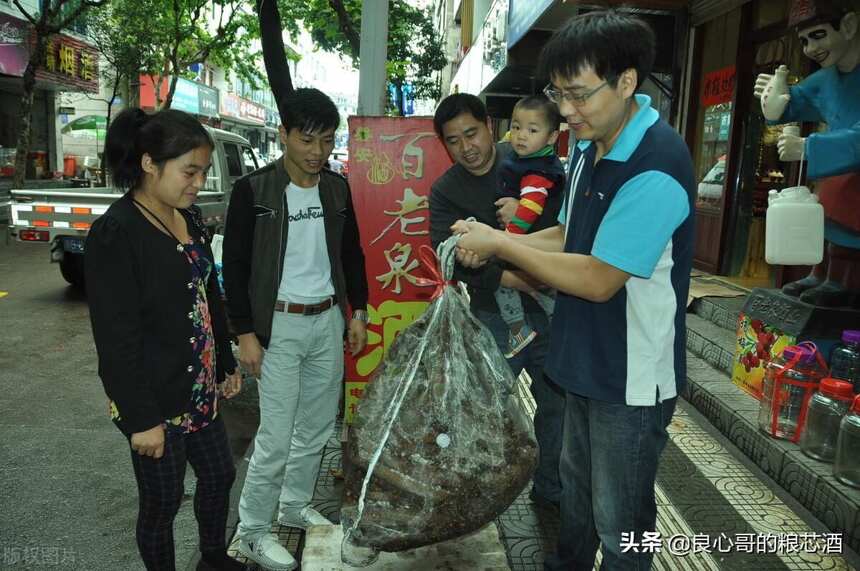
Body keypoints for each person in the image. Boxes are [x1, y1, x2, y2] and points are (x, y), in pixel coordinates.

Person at [453, 10, 695, 570]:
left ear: (627, 83)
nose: (565, 111)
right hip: (580, 355)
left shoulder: (656, 165)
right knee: (576, 498)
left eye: (579, 95)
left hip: (629, 377)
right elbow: (569, 235)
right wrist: (496, 240)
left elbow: (598, 277)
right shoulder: (588, 146)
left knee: (622, 525)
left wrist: (503, 245)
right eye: (558, 94)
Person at [85, 108, 244, 571]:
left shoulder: (188, 217)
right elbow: (116, 340)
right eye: (188, 171)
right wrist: (141, 420)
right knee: (162, 501)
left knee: (219, 475)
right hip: (154, 399)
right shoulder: (118, 233)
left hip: (197, 387)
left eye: (202, 171)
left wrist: (225, 363)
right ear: (150, 163)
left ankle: (212, 558)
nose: (197, 182)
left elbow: (207, 291)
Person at [222, 87, 369, 571]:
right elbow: (237, 264)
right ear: (284, 135)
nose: (317, 152)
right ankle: (252, 531)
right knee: (277, 434)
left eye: (326, 140)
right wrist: (244, 332)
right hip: (279, 325)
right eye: (307, 139)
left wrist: (358, 312)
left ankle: (293, 505)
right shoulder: (255, 191)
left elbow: (352, 252)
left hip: (326, 319)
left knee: (317, 427)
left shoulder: (335, 188)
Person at [429, 93, 565, 512]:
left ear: (490, 126)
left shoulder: (527, 154)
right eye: (454, 140)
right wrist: (520, 279)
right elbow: (450, 259)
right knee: (481, 403)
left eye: (471, 133)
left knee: (557, 405)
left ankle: (551, 491)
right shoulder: (445, 191)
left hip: (557, 310)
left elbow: (565, 221)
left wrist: (506, 246)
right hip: (494, 316)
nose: (466, 146)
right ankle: (473, 493)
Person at [754, 0, 860, 307]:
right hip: (842, 168)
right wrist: (772, 97)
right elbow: (790, 102)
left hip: (850, 173)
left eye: (818, 35)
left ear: (850, 26)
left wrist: (807, 147)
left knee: (841, 201)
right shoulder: (826, 79)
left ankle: (843, 280)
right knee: (824, 205)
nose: (811, 48)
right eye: (804, 41)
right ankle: (822, 272)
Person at [494, 94, 565, 357]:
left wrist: (507, 241)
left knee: (504, 283)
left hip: (527, 244)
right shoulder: (523, 158)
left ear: (551, 137)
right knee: (543, 289)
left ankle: (518, 329)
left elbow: (531, 208)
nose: (521, 135)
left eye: (532, 130)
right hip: (534, 248)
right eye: (515, 127)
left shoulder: (538, 170)